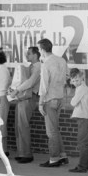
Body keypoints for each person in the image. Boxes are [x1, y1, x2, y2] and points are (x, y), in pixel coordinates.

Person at [38, 38, 68, 168]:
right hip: (60, 97)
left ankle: (54, 158)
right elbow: (66, 78)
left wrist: (40, 103)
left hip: (50, 99)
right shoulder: (61, 60)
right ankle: (62, 155)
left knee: (51, 131)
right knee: (55, 129)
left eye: (39, 49)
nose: (39, 52)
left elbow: (44, 86)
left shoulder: (46, 64)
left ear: (43, 50)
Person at [10, 46, 41, 164]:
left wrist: (16, 90)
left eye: (29, 54)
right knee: (18, 125)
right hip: (23, 97)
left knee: (23, 125)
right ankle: (21, 152)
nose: (27, 56)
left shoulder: (38, 66)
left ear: (35, 55)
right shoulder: (31, 67)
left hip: (29, 97)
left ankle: (26, 154)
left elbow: (30, 82)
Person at [68, 68, 88, 173]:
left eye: (77, 80)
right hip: (84, 118)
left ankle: (82, 166)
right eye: (73, 81)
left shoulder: (81, 89)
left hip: (84, 118)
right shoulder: (82, 88)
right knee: (83, 142)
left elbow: (73, 102)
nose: (75, 83)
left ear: (81, 77)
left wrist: (72, 99)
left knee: (82, 143)